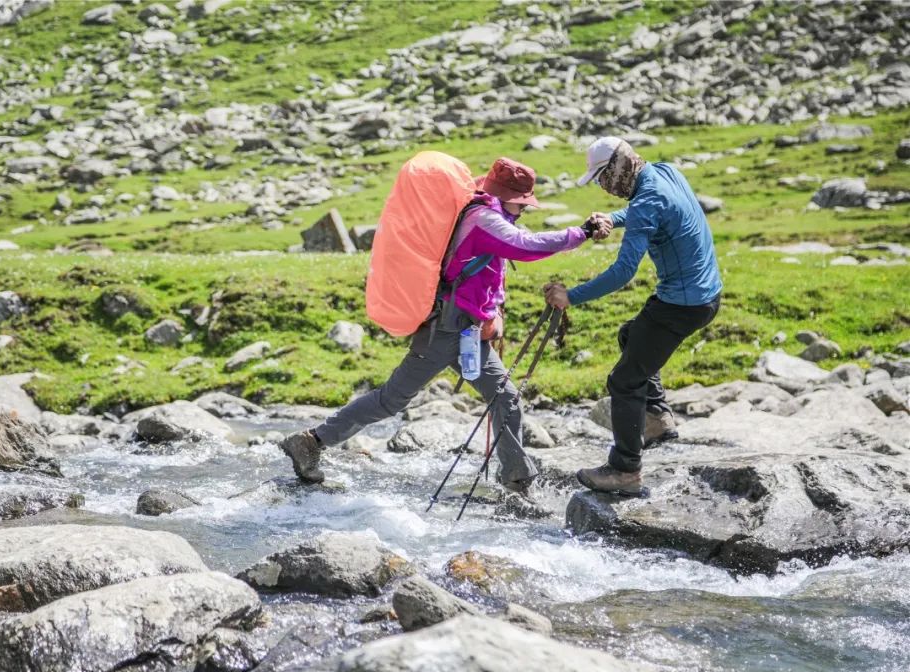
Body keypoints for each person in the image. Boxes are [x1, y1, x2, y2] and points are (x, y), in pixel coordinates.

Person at [281, 157, 609, 493]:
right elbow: (525, 246)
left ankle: (517, 482)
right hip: (447, 329)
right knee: (391, 400)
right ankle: (311, 442)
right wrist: (581, 232)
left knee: (505, 397)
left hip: (466, 329)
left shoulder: (488, 212)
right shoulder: (484, 219)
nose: (525, 209)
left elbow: (513, 247)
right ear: (505, 195)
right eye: (522, 202)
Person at [544, 137, 722, 497]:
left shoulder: (645, 202)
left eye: (602, 178)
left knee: (624, 381)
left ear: (618, 169)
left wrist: (569, 297)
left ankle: (625, 469)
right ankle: (656, 419)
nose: (603, 187)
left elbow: (622, 272)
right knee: (632, 336)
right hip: (706, 296)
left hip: (681, 305)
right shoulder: (665, 172)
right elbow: (649, 209)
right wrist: (613, 218)